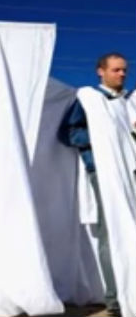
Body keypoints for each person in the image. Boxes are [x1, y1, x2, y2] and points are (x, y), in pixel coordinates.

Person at [57, 52, 128, 317]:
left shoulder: (126, 103)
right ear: (101, 71)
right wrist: (104, 140)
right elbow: (68, 134)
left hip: (129, 172)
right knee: (112, 234)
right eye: (116, 70)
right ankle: (115, 301)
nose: (122, 74)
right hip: (104, 173)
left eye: (124, 70)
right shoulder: (89, 100)